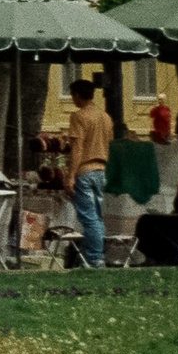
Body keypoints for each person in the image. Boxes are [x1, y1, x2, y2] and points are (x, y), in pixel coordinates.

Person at [64, 78, 113, 269]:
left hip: (84, 170)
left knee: (89, 218)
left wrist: (70, 176)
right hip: (101, 170)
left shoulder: (79, 116)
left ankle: (94, 259)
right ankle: (96, 255)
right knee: (97, 217)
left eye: (72, 95)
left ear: (77, 95)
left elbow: (77, 148)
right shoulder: (105, 117)